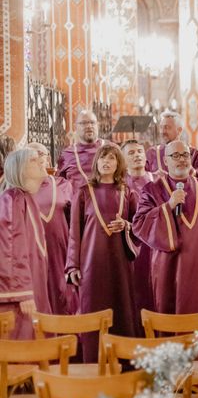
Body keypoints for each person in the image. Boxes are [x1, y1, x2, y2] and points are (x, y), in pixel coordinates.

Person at [132, 139, 198, 317]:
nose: (181, 159)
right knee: (169, 319)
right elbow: (139, 224)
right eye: (175, 155)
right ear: (165, 161)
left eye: (185, 154)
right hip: (166, 270)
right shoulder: (152, 190)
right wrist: (168, 206)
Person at [65, 144, 139, 361]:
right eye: (102, 158)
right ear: (96, 163)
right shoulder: (84, 192)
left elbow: (139, 226)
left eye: (112, 159)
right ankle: (92, 361)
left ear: (118, 164)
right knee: (93, 310)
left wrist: (126, 225)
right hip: (91, 264)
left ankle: (123, 362)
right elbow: (74, 232)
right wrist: (72, 265)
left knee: (121, 309)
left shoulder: (127, 192)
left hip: (119, 264)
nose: (106, 162)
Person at [0, 148, 51, 339]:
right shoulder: (12, 199)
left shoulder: (26, 199)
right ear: (19, 168)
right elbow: (10, 247)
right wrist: (22, 292)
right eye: (33, 159)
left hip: (31, 286)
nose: (41, 161)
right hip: (19, 297)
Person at [27, 142, 77, 315]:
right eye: (34, 155)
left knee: (64, 295)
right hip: (33, 252)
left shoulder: (63, 184)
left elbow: (75, 222)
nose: (40, 158)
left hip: (61, 251)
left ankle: (69, 338)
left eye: (43, 154)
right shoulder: (21, 189)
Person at [121, 139, 155, 312]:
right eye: (131, 153)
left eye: (140, 152)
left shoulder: (157, 180)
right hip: (132, 247)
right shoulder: (120, 186)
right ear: (123, 159)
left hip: (157, 246)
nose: (137, 156)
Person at [145, 110, 198, 178]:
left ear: (179, 130)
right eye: (161, 127)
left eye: (167, 127)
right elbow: (142, 177)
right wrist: (153, 176)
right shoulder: (152, 153)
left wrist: (189, 170)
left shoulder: (193, 154)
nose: (162, 131)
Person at [56, 110, 106, 189]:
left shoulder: (111, 148)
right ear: (75, 126)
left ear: (98, 125)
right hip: (77, 200)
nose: (89, 126)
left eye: (92, 122)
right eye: (84, 123)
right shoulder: (67, 154)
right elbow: (60, 185)